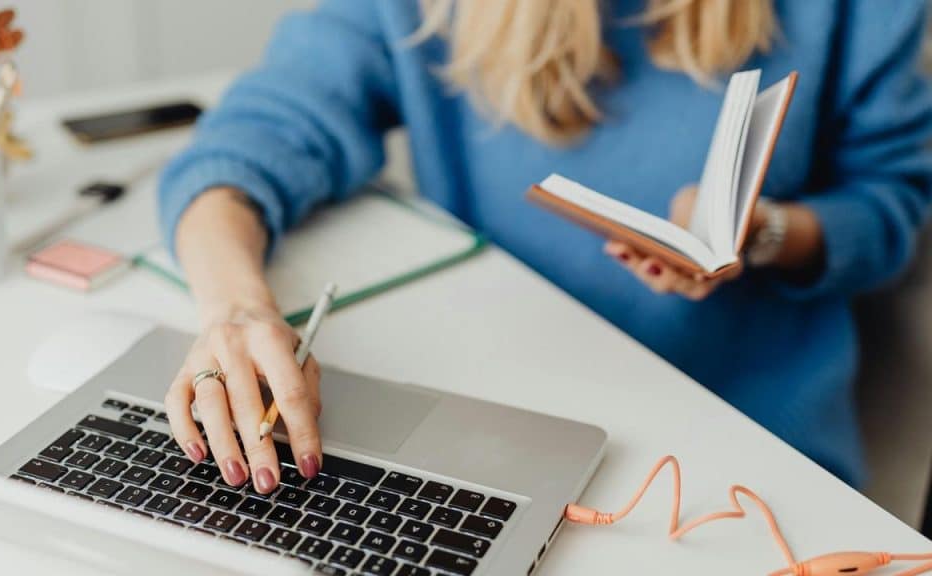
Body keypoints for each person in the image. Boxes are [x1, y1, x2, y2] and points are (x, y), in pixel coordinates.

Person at [158, 0, 932, 493]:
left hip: (745, 452)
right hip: (492, 437)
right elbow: (249, 142)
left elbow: (896, 206)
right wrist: (236, 308)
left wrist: (764, 232)